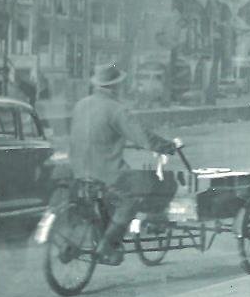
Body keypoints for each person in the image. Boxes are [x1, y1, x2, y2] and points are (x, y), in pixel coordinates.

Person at [69, 62, 180, 265]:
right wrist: (166, 146)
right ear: (116, 85)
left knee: (107, 196)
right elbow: (142, 136)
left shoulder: (81, 105)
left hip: (79, 171)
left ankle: (103, 236)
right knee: (132, 198)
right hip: (106, 173)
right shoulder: (116, 110)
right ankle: (108, 244)